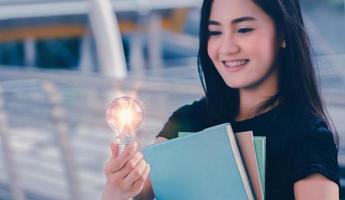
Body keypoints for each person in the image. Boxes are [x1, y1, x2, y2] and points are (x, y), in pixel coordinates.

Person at [102, 0, 340, 199]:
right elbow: (134, 193)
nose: (226, 48)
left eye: (244, 29)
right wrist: (117, 187)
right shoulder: (188, 119)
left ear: (283, 34)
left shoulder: (307, 136)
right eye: (215, 32)